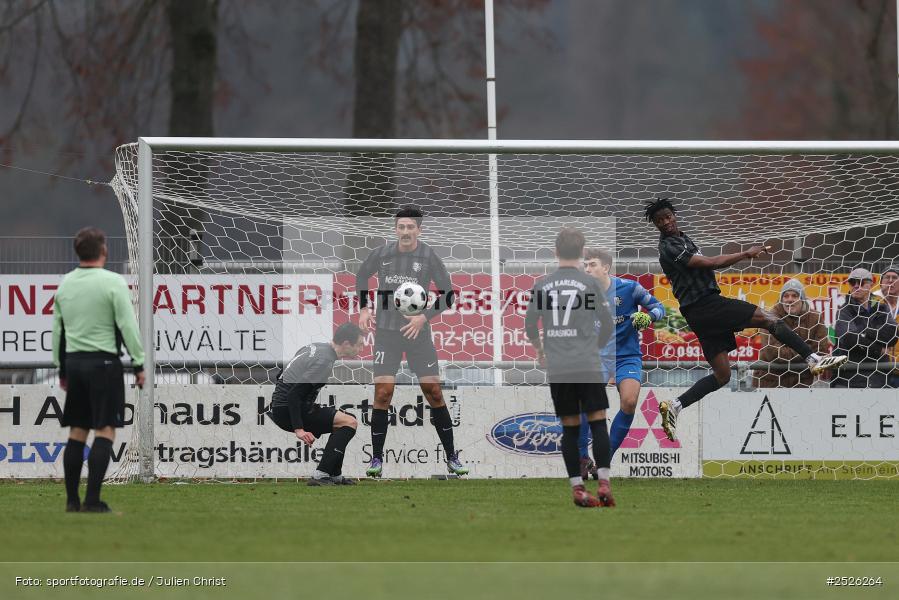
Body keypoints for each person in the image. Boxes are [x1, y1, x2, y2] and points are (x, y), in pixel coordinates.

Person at [644, 197, 847, 441]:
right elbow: (710, 263)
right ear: (656, 225)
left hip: (699, 313)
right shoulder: (668, 247)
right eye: (659, 221)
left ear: (674, 215)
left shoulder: (683, 238)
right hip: (706, 305)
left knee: (722, 375)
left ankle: (675, 406)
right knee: (769, 319)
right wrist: (746, 253)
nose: (665, 222)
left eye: (667, 217)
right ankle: (813, 359)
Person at [355, 206, 467, 477]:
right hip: (386, 333)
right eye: (401, 227)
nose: (405, 232)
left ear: (419, 230)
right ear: (395, 229)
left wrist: (423, 318)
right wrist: (364, 308)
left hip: (418, 334)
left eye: (410, 227)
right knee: (383, 393)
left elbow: (449, 295)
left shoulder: (428, 256)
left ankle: (452, 458)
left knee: (433, 391)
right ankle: (376, 460)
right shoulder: (382, 254)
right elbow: (361, 275)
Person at [52, 227, 145, 513]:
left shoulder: (65, 284)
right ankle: (92, 500)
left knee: (77, 431)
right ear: (103, 250)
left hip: (75, 364)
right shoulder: (113, 282)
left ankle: (71, 501)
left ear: (78, 252)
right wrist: (139, 362)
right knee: (105, 430)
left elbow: (58, 331)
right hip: (104, 365)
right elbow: (127, 325)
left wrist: (62, 369)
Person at [524, 227, 615, 508]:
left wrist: (540, 350)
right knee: (598, 422)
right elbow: (607, 324)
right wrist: (595, 348)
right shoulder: (589, 284)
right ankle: (603, 483)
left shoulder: (542, 285)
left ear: (555, 252)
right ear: (582, 252)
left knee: (570, 428)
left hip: (559, 367)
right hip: (588, 364)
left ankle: (577, 488)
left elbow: (530, 325)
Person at [580, 248, 665, 474]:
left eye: (592, 264)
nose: (587, 269)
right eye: (585, 265)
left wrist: (648, 317)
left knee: (629, 401)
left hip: (627, 356)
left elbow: (659, 307)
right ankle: (582, 459)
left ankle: (604, 460)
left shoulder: (630, 288)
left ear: (606, 268)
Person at [267, 323, 365, 485]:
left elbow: (282, 375)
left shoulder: (316, 347)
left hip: (284, 406)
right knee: (349, 422)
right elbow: (293, 395)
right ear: (347, 343)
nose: (361, 349)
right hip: (288, 409)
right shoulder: (325, 361)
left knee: (346, 420)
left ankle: (334, 475)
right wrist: (299, 429)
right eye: (359, 345)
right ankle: (321, 474)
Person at [754, 278, 830, 388]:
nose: (790, 300)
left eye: (795, 296)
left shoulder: (815, 318)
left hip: (802, 383)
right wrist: (807, 350)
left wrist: (807, 353)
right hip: (771, 383)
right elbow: (773, 353)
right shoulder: (769, 318)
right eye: (786, 296)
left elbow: (820, 351)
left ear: (802, 299)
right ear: (781, 299)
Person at [831, 267, 899, 388]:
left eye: (861, 282)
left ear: (870, 285)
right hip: (850, 379)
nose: (856, 286)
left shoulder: (882, 308)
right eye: (853, 282)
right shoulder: (844, 310)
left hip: (879, 379)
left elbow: (892, 335)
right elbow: (850, 339)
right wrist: (878, 349)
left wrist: (865, 333)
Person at [876, 266, 899, 388]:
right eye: (887, 277)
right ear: (881, 283)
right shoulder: (871, 303)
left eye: (894, 277)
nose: (890, 280)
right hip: (877, 370)